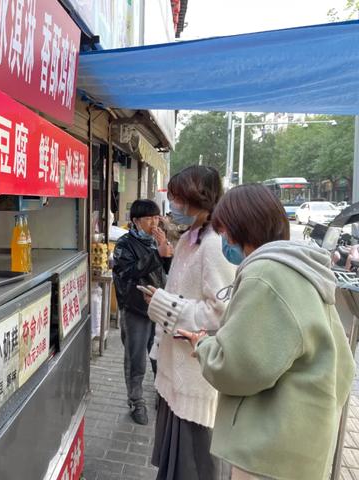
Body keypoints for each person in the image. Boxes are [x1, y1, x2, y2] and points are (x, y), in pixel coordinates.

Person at [179, 184, 355, 480]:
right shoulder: (299, 269)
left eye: (223, 232)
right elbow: (344, 364)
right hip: (302, 439)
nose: (222, 240)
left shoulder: (265, 276)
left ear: (240, 227)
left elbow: (237, 368)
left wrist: (204, 345)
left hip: (271, 450)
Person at [142, 166, 236, 480]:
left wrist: (165, 304)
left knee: (194, 465)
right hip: (175, 373)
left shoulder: (214, 245)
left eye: (178, 198)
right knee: (176, 463)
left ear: (198, 199)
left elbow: (220, 313)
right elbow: (181, 290)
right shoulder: (188, 240)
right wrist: (162, 298)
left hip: (195, 376)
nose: (173, 206)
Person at [112, 199, 173, 425]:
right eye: (149, 219)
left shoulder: (156, 241)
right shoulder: (124, 245)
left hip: (159, 306)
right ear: (136, 221)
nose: (154, 223)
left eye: (157, 218)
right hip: (135, 307)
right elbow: (127, 272)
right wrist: (157, 254)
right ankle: (136, 401)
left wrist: (166, 253)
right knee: (136, 358)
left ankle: (162, 393)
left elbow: (167, 271)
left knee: (160, 353)